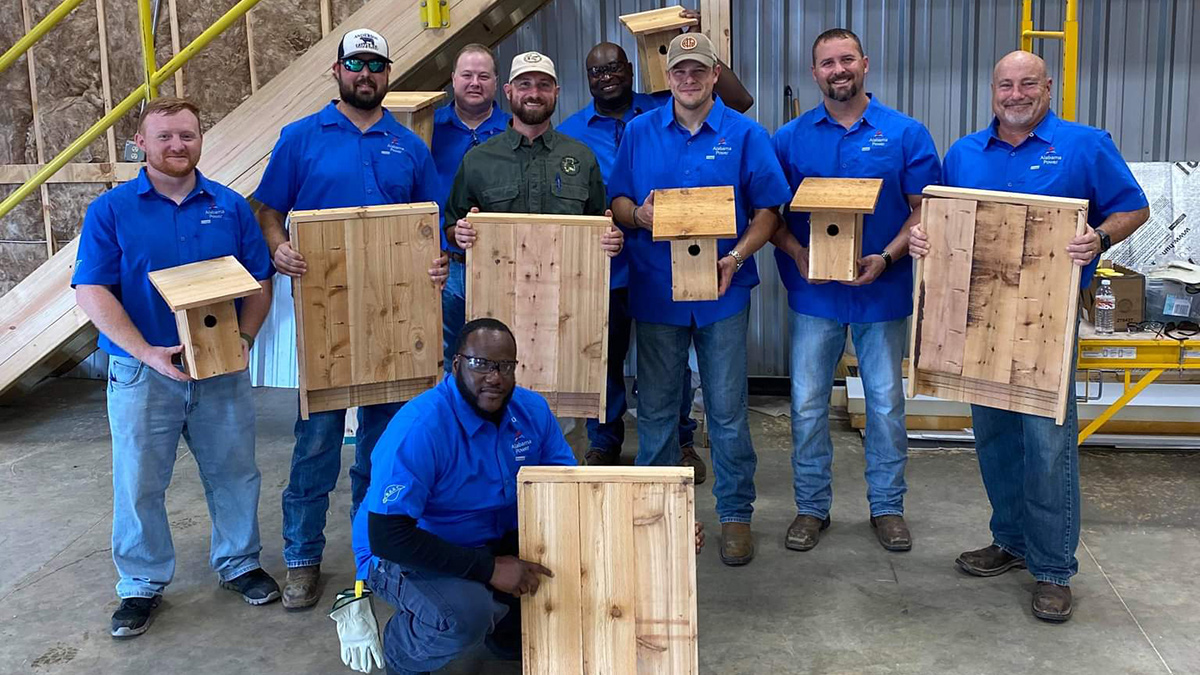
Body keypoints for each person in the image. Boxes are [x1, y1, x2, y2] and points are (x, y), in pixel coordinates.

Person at [911, 50, 1149, 622]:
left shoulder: (1085, 144)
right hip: (979, 320)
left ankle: (1052, 569)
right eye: (1005, 85)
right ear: (992, 90)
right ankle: (1011, 541)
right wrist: (925, 238)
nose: (1015, 95)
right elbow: (942, 219)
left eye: (1027, 84)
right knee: (993, 438)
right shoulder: (965, 152)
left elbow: (1132, 208)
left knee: (1046, 445)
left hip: (1048, 320)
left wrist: (1099, 239)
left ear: (1048, 87)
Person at [351, 318, 705, 674]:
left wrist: (660, 525)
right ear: (456, 364)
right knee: (463, 617)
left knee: (575, 581)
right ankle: (400, 650)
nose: (495, 377)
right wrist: (489, 569)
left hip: (493, 540)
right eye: (481, 364)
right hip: (406, 551)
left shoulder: (531, 411)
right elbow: (388, 536)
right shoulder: (421, 427)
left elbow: (576, 497)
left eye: (505, 366)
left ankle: (501, 623)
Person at [253, 28, 448, 610]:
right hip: (327, 319)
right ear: (337, 70)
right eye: (356, 64)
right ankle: (302, 560)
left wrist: (437, 263)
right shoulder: (300, 138)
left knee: (382, 452)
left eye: (377, 66)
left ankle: (376, 554)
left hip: (396, 323)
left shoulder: (408, 145)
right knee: (315, 446)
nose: (366, 74)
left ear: (387, 74)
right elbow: (269, 209)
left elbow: (428, 222)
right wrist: (276, 246)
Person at [73, 96, 278, 638]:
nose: (177, 145)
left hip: (221, 370)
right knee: (139, 481)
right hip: (142, 372)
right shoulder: (111, 211)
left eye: (187, 135)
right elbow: (92, 289)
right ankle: (140, 584)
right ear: (141, 143)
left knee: (235, 472)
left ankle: (239, 563)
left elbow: (259, 280)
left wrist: (245, 340)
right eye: (164, 136)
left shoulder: (231, 207)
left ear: (200, 139)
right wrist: (144, 352)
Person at [609, 33, 793, 567]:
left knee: (728, 412)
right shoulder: (639, 133)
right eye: (679, 71)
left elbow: (769, 211)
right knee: (659, 412)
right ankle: (657, 516)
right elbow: (618, 199)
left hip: (723, 294)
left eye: (698, 70)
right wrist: (637, 216)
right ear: (668, 77)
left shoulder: (746, 134)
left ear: (715, 75)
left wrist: (734, 258)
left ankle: (735, 516)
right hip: (656, 292)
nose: (688, 80)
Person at [557, 14, 755, 476]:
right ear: (587, 79)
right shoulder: (570, 130)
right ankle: (604, 442)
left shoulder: (657, 107)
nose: (607, 77)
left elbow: (737, 102)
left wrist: (684, 43)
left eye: (615, 68)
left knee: (668, 373)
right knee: (604, 359)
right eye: (596, 71)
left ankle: (682, 443)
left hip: (662, 269)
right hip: (609, 264)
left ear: (633, 71)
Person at [770, 29, 941, 554]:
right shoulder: (790, 139)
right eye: (827, 63)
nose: (838, 70)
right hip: (815, 296)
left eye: (847, 59)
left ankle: (887, 507)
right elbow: (768, 215)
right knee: (805, 405)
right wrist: (799, 254)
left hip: (881, 292)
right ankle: (810, 507)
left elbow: (925, 206)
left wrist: (887, 257)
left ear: (865, 63)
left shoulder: (906, 134)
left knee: (887, 404)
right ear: (814, 71)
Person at [447, 51, 624, 289]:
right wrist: (459, 235)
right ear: (509, 91)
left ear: (556, 92)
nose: (534, 94)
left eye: (543, 85)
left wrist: (612, 239)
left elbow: (601, 226)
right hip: (496, 295)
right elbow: (452, 225)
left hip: (571, 297)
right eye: (524, 85)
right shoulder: (477, 160)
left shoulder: (582, 158)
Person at [432, 43, 511, 373]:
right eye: (467, 75)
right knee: (445, 360)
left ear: (496, 82)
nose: (474, 83)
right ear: (453, 79)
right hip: (443, 268)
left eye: (483, 75)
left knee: (500, 356)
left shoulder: (515, 130)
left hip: (503, 266)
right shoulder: (427, 130)